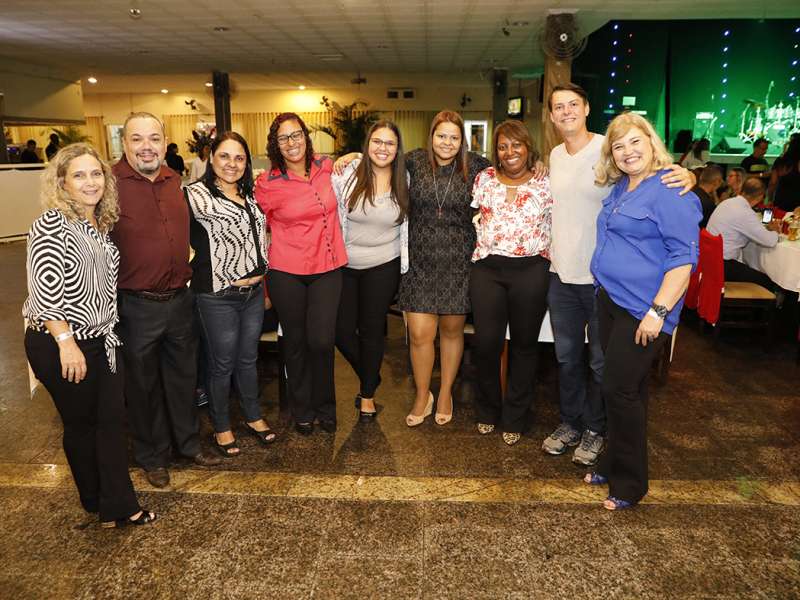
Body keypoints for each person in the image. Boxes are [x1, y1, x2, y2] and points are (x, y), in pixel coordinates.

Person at [542, 83, 695, 467]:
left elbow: (658, 182)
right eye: (558, 107)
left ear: (587, 107)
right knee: (566, 360)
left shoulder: (609, 148)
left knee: (602, 365)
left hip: (603, 287)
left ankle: (596, 430)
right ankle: (571, 423)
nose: (566, 112)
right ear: (550, 115)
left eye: (572, 104)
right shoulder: (556, 156)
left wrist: (685, 175)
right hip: (562, 275)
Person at [23, 143, 155, 528]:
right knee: (97, 424)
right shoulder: (51, 224)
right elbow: (44, 291)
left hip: (100, 342)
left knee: (97, 423)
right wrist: (67, 344)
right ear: (62, 182)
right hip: (62, 341)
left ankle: (98, 502)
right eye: (79, 175)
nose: (90, 182)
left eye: (96, 173)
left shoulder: (97, 224)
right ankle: (119, 506)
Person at [586, 112, 701, 511]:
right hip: (611, 300)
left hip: (644, 309)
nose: (628, 151)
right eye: (619, 146)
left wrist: (658, 311)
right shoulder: (621, 188)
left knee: (618, 389)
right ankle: (612, 460)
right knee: (625, 389)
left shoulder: (671, 189)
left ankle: (630, 485)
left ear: (652, 143)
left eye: (636, 142)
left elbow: (683, 260)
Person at [112, 112, 221, 489]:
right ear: (124, 144)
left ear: (164, 141)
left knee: (183, 379)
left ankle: (188, 445)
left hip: (179, 300)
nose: (147, 146)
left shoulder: (176, 181)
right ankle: (151, 456)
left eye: (154, 138)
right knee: (143, 387)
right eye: (138, 139)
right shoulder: (108, 185)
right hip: (136, 305)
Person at [255, 113, 347, 435]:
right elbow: (253, 225)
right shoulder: (267, 184)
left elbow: (362, 165)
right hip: (286, 271)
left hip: (328, 266)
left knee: (322, 341)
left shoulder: (327, 167)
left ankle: (326, 407)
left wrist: (351, 155)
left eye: (296, 135)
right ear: (275, 145)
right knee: (294, 342)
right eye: (284, 138)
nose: (292, 143)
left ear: (306, 137)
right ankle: (302, 410)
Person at [185, 131, 275, 456]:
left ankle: (253, 416)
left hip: (252, 294)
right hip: (218, 295)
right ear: (211, 158)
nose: (232, 164)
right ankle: (222, 426)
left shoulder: (250, 194)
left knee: (248, 360)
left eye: (239, 158)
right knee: (221, 363)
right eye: (224, 156)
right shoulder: (193, 196)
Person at [469, 120, 552, 445]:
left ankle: (515, 416)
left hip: (531, 270)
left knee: (524, 346)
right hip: (488, 270)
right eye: (503, 146)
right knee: (487, 343)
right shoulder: (484, 179)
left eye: (516, 145)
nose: (510, 152)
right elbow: (472, 217)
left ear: (528, 147)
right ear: (497, 152)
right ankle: (487, 409)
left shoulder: (547, 181)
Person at [331, 120, 409, 422]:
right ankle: (370, 374)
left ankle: (367, 396)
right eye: (377, 141)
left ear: (397, 148)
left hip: (384, 263)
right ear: (367, 144)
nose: (383, 148)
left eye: (389, 143)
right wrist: (348, 156)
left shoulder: (405, 179)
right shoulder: (348, 174)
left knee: (372, 330)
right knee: (340, 330)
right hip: (345, 264)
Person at [706, 177, 780, 288]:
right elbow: (770, 241)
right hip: (723, 265)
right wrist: (775, 230)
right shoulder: (745, 212)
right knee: (768, 281)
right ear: (760, 197)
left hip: (709, 259)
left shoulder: (727, 203)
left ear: (742, 189)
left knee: (751, 268)